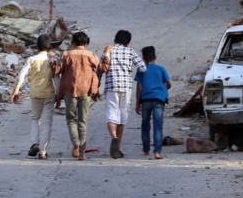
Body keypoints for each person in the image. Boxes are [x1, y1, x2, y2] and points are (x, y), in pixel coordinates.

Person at [51, 31, 100, 161]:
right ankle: (82, 153)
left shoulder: (67, 54)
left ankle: (75, 142)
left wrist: (52, 61)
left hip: (70, 90)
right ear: (86, 43)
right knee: (82, 122)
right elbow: (99, 67)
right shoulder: (91, 55)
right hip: (86, 91)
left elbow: (57, 70)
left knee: (71, 119)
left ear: (73, 42)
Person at [98, 30, 147, 159]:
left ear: (115, 39)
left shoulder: (108, 51)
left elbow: (100, 68)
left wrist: (96, 87)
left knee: (111, 115)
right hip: (126, 88)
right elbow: (143, 68)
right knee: (122, 116)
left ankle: (113, 137)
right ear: (128, 42)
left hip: (111, 87)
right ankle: (117, 147)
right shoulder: (130, 51)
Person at [11, 35, 57, 160]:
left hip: (35, 93)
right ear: (50, 46)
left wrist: (16, 90)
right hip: (49, 94)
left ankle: (35, 143)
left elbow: (21, 75)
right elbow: (57, 78)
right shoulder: (52, 60)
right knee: (46, 123)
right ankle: (43, 151)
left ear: (36, 46)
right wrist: (59, 95)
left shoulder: (32, 59)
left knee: (35, 119)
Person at [135, 46, 172, 159]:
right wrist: (162, 89)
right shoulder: (161, 69)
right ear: (155, 57)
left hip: (145, 100)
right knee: (158, 125)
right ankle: (157, 151)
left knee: (145, 124)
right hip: (159, 100)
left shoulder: (141, 70)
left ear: (143, 58)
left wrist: (137, 103)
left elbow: (139, 87)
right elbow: (169, 84)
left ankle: (146, 149)